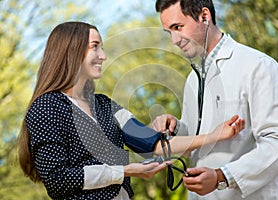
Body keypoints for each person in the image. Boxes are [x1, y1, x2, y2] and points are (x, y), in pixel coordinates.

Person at [17, 21, 245, 200]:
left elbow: (155, 144)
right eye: (94, 47)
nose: (103, 56)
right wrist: (124, 171)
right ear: (71, 52)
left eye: (102, 47)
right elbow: (57, 180)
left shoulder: (105, 105)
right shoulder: (46, 107)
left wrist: (215, 136)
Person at [152, 0, 278, 200]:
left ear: (205, 17)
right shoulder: (193, 80)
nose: (174, 40)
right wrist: (177, 129)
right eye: (169, 32)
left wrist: (222, 177)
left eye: (178, 27)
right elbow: (198, 146)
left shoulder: (258, 66)